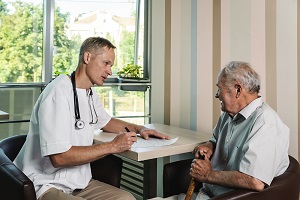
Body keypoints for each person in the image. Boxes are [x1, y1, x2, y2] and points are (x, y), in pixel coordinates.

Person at [14, 36, 170, 200]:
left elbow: (107, 122)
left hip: (79, 183)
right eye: (106, 63)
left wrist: (141, 129)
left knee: (127, 198)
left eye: (111, 65)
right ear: (87, 57)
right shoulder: (58, 92)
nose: (110, 71)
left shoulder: (89, 93)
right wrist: (112, 146)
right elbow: (59, 158)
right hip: (45, 184)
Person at [151, 61, 290, 200]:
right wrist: (209, 146)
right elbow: (215, 139)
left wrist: (207, 175)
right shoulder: (229, 115)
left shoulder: (265, 123)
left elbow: (255, 180)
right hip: (204, 195)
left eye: (219, 89)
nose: (216, 95)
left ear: (237, 90)